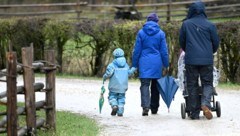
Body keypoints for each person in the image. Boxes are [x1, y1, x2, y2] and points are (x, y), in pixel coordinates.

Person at [179, 1, 219, 120]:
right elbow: (215, 42)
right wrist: (210, 52)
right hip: (206, 59)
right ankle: (206, 104)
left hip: (191, 60)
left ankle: (194, 112)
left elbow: (182, 42)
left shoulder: (186, 24)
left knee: (192, 85)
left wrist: (189, 52)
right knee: (207, 83)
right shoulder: (210, 25)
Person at [131, 13, 169, 116]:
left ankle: (145, 107)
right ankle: (154, 108)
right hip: (157, 63)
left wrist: (134, 64)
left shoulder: (141, 33)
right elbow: (164, 51)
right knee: (155, 86)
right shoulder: (161, 33)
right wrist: (166, 64)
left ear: (147, 21)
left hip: (144, 62)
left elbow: (137, 50)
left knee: (144, 85)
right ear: (157, 21)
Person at [103, 48, 134, 117]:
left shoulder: (112, 65)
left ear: (114, 56)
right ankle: (120, 111)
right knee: (121, 98)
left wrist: (104, 77)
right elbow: (129, 73)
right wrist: (134, 68)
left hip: (113, 86)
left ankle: (114, 105)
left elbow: (109, 74)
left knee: (112, 96)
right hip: (123, 87)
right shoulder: (126, 65)